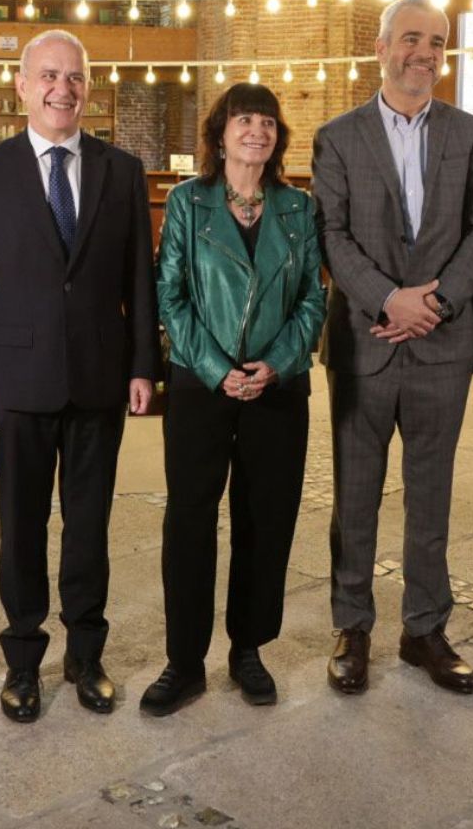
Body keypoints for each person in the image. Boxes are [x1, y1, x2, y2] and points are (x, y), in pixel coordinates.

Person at [0, 30, 159, 723]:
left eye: (73, 77)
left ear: (88, 88)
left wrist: (142, 363)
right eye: (47, 75)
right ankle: (22, 662)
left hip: (100, 377)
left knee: (90, 527)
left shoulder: (122, 171)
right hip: (15, 383)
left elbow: (139, 279)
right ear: (21, 84)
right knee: (22, 528)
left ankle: (87, 655)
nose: (61, 88)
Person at [312, 0, 473, 697]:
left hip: (443, 346)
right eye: (412, 39)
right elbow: (331, 233)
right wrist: (389, 298)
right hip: (365, 342)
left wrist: (437, 301)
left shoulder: (470, 132)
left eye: (437, 42)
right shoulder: (338, 136)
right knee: (354, 496)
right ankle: (351, 626)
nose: (424, 52)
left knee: (432, 494)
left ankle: (425, 628)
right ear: (383, 46)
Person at [139, 84, 327, 716]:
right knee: (189, 521)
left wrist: (275, 363)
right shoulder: (190, 203)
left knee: (266, 520)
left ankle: (248, 649)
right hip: (201, 384)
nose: (257, 131)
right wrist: (220, 369)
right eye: (244, 120)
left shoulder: (298, 208)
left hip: (278, 388)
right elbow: (170, 296)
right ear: (219, 134)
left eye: (267, 122)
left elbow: (312, 297)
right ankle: (183, 661)